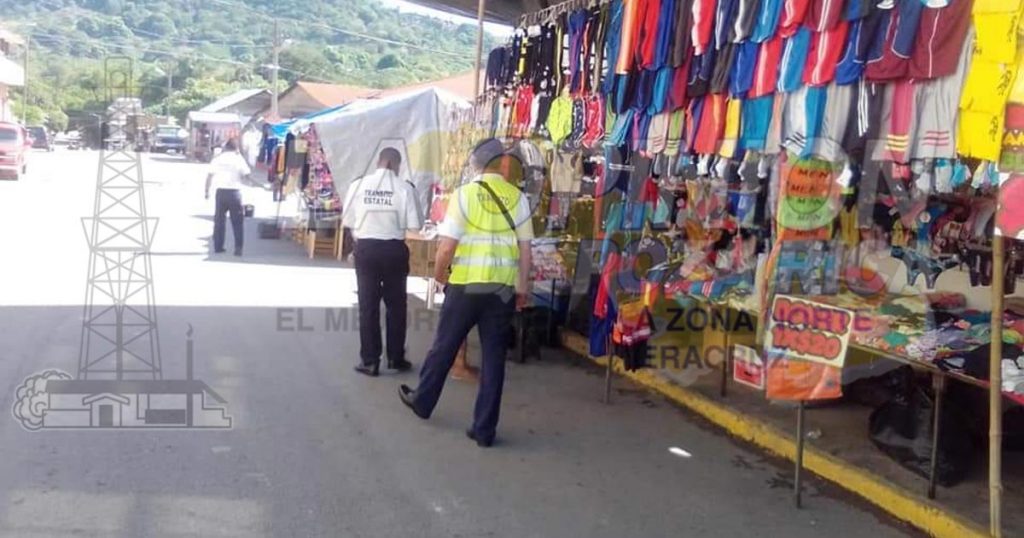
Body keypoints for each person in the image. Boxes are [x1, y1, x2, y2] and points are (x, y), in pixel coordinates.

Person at [399, 139, 533, 448]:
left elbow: (447, 246)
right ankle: (484, 429)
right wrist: (522, 289)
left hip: (466, 286)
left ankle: (423, 401)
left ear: (476, 165)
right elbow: (526, 252)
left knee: (444, 346)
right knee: (494, 358)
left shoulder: (465, 194)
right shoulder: (519, 198)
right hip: (501, 290)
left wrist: (438, 275)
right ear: (502, 165)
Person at [343, 147, 422, 377]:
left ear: (378, 162)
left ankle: (370, 361)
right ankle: (396, 358)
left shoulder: (358, 185)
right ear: (396, 165)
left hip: (366, 250)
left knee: (368, 306)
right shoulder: (405, 188)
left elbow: (348, 220)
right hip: (394, 250)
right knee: (396, 306)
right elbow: (415, 226)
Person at [204, 140, 251, 256]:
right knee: (237, 222)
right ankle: (238, 248)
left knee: (219, 221)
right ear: (236, 148)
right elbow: (246, 174)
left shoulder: (218, 158)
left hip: (221, 193)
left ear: (226, 147)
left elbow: (209, 175)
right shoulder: (238, 158)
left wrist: (206, 191)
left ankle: (218, 246)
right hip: (235, 193)